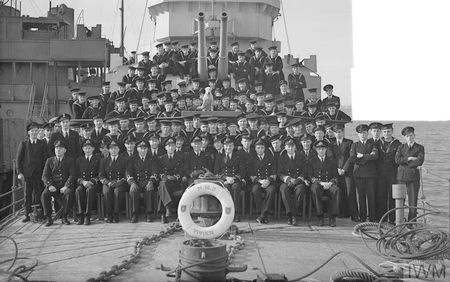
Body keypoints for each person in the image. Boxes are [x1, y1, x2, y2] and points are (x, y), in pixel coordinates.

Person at [16, 122, 48, 222]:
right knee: (27, 194)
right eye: (32, 131)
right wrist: (20, 172)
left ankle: (40, 212)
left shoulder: (42, 144)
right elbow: (18, 159)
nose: (34, 132)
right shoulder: (24, 144)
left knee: (39, 193)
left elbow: (45, 159)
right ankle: (27, 214)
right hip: (27, 174)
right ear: (29, 132)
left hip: (39, 173)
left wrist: (45, 173)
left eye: (36, 131)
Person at [41, 140, 76, 227]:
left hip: (65, 186)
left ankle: (64, 216)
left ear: (65, 150)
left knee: (68, 193)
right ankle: (48, 218)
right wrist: (49, 185)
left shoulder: (70, 160)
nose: (58, 150)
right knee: (44, 195)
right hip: (54, 186)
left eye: (61, 148)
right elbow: (45, 176)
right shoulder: (49, 160)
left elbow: (72, 175)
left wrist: (66, 186)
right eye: (56, 148)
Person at [349, 124, 378, 222]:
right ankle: (362, 216)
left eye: (364, 133)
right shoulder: (355, 145)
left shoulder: (372, 144)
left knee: (371, 196)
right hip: (359, 175)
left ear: (367, 133)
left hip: (370, 174)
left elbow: (375, 156)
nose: (362, 135)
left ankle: (372, 217)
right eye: (360, 133)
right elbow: (352, 158)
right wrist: (367, 157)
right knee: (361, 196)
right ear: (358, 134)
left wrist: (362, 156)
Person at [395, 126, 425, 222]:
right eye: (407, 136)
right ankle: (399, 220)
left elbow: (420, 161)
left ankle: (411, 223)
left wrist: (404, 162)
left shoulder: (420, 147)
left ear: (414, 135)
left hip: (413, 178)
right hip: (401, 177)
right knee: (400, 200)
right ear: (405, 137)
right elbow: (397, 160)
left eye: (411, 135)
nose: (409, 138)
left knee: (413, 201)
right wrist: (409, 158)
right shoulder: (401, 147)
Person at [309, 140, 340, 227]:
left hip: (329, 184)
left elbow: (335, 175)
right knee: (314, 189)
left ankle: (332, 217)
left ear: (326, 149)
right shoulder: (312, 161)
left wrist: (330, 183)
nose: (321, 151)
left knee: (336, 190)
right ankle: (320, 216)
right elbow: (310, 176)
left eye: (323, 148)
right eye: (319, 149)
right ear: (316, 150)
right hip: (319, 184)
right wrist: (321, 183)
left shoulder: (332, 161)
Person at [127, 140, 159, 223]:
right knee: (133, 190)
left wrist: (151, 181)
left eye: (145, 148)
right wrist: (132, 183)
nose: (143, 150)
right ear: (137, 149)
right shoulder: (132, 159)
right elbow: (128, 172)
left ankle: (149, 213)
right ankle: (134, 214)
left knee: (149, 189)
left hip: (147, 181)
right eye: (141, 148)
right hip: (136, 182)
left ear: (147, 149)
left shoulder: (152, 158)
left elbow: (155, 171)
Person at [214, 137, 245, 222]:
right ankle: (226, 213)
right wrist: (226, 178)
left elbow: (242, 171)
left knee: (235, 188)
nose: (228, 148)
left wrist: (233, 179)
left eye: (230, 146)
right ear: (223, 146)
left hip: (235, 180)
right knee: (226, 187)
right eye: (226, 146)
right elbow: (216, 172)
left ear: (233, 146)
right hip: (224, 180)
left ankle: (236, 213)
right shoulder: (219, 157)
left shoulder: (238, 156)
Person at [330, 123, 357, 221]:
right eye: (336, 132)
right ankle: (342, 212)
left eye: (340, 132)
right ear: (334, 133)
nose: (338, 134)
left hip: (347, 171)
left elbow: (351, 157)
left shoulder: (349, 142)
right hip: (336, 171)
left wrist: (344, 169)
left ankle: (354, 215)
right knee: (339, 191)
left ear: (343, 132)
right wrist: (337, 169)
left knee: (350, 192)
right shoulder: (331, 143)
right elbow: (331, 157)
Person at [278, 138, 308, 225]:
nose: (290, 149)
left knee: (301, 189)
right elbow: (280, 173)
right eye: (288, 147)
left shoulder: (301, 157)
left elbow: (304, 172)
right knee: (283, 189)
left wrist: (298, 180)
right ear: (285, 148)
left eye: (292, 146)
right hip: (286, 182)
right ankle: (290, 215)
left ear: (295, 147)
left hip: (298, 182)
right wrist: (289, 179)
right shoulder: (282, 158)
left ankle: (293, 215)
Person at [375, 123, 401, 223]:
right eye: (385, 131)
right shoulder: (378, 143)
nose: (386, 134)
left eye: (388, 131)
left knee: (392, 196)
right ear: (382, 132)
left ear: (392, 131)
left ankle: (392, 218)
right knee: (381, 195)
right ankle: (381, 217)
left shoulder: (397, 144)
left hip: (392, 173)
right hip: (380, 173)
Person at [99, 140, 128, 223]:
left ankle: (116, 214)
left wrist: (119, 182)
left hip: (119, 183)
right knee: (106, 192)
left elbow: (126, 174)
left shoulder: (124, 160)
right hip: (108, 182)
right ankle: (109, 215)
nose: (114, 150)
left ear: (119, 149)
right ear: (108, 150)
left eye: (115, 148)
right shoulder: (104, 160)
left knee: (117, 192)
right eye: (111, 149)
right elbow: (101, 175)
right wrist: (107, 182)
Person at [74, 139, 102, 225]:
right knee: (78, 190)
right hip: (83, 183)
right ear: (83, 149)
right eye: (86, 148)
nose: (87, 150)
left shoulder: (98, 159)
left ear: (93, 149)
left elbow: (100, 174)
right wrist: (83, 182)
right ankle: (80, 216)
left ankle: (87, 216)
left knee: (89, 190)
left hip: (93, 183)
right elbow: (76, 175)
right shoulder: (79, 160)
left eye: (89, 148)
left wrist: (92, 181)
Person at [158, 138, 185, 223]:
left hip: (176, 182)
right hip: (166, 181)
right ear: (165, 148)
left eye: (173, 146)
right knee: (163, 184)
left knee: (162, 188)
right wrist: (166, 177)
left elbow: (182, 171)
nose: (171, 148)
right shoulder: (161, 158)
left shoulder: (180, 158)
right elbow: (159, 171)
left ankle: (164, 212)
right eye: (169, 146)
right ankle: (166, 210)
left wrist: (175, 177)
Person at [251, 139, 277, 224]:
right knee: (255, 190)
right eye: (258, 148)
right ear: (255, 149)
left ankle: (262, 215)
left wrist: (268, 181)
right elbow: (251, 175)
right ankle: (263, 214)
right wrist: (260, 181)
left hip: (268, 181)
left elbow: (274, 173)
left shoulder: (270, 158)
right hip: (258, 182)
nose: (260, 150)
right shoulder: (253, 159)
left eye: (262, 148)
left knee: (271, 190)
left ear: (264, 148)